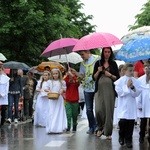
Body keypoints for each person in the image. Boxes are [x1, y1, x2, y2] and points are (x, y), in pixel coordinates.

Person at [92, 47, 120, 140]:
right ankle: (100, 127)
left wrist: (110, 75)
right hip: (99, 89)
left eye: (108, 52)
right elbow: (94, 78)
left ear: (110, 53)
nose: (107, 53)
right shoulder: (98, 63)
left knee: (108, 110)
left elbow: (117, 78)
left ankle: (108, 132)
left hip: (110, 90)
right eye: (105, 52)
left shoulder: (113, 64)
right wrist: (99, 71)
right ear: (102, 53)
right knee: (98, 109)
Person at [70, 50, 99, 134]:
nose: (81, 57)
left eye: (82, 54)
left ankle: (98, 126)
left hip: (97, 86)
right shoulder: (82, 63)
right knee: (88, 109)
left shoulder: (97, 59)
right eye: (81, 55)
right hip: (87, 88)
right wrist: (75, 73)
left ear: (87, 52)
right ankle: (92, 126)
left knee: (98, 108)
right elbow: (82, 76)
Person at [114, 63, 142, 148]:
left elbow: (137, 93)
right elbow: (120, 93)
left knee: (130, 124)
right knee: (123, 122)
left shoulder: (135, 81)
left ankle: (128, 139)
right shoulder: (119, 82)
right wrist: (126, 86)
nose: (131, 72)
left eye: (132, 70)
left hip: (131, 106)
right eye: (130, 70)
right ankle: (121, 136)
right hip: (123, 106)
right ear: (124, 71)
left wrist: (132, 87)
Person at [46, 68, 67, 134]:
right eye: (53, 74)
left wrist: (61, 90)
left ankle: (58, 128)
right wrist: (49, 91)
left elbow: (64, 89)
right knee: (51, 112)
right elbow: (46, 88)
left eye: (56, 74)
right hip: (51, 98)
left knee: (58, 112)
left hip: (58, 98)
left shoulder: (62, 82)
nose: (55, 75)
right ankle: (51, 127)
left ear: (59, 74)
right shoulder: (49, 82)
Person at [136, 60, 150, 144]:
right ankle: (141, 136)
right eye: (146, 68)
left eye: (149, 68)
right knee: (143, 120)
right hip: (144, 103)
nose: (148, 69)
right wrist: (139, 104)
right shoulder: (140, 80)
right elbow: (138, 93)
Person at [64, 67, 80, 132]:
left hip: (75, 100)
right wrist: (68, 76)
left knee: (74, 115)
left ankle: (74, 125)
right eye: (70, 71)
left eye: (72, 71)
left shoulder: (76, 79)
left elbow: (77, 84)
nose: (71, 72)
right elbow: (65, 83)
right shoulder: (66, 79)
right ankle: (68, 126)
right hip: (68, 100)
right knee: (68, 114)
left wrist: (73, 76)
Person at [0, 62, 10, 126]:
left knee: (3, 110)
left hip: (3, 96)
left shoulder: (6, 78)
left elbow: (7, 88)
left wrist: (2, 94)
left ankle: (2, 122)